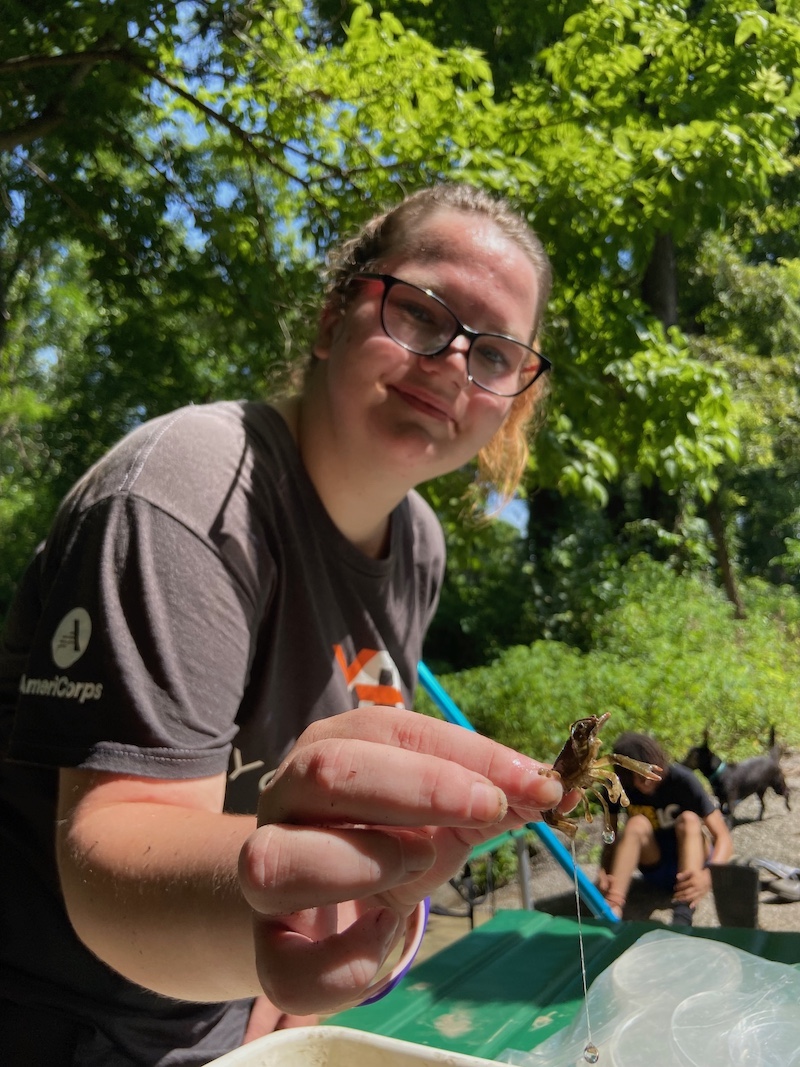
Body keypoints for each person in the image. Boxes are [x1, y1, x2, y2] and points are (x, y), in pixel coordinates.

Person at [0, 182, 571, 1065]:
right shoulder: (187, 493)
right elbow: (110, 854)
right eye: (421, 311)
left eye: (496, 355)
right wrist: (276, 932)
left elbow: (347, 812)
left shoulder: (419, 545)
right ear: (333, 313)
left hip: (237, 1023)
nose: (455, 363)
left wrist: (314, 959)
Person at [596, 732, 733, 926]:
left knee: (689, 819)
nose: (647, 781)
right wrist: (605, 869)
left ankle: (684, 908)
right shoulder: (615, 787)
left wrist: (709, 877)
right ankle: (613, 906)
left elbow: (723, 838)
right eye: (638, 777)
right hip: (655, 864)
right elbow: (610, 836)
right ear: (625, 777)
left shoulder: (683, 780)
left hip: (693, 861)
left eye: (651, 773)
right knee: (636, 823)